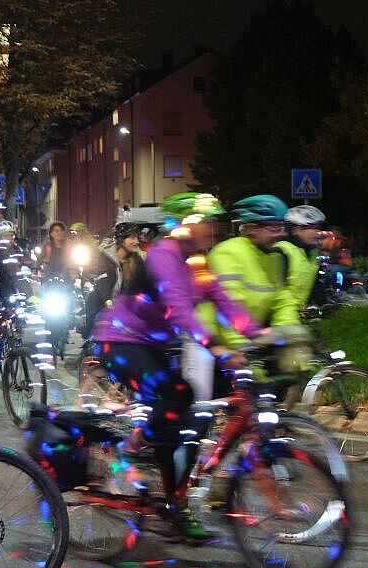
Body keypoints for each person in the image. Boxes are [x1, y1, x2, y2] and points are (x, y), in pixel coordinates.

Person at [91, 193, 261, 541]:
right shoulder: (165, 256)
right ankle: (138, 456)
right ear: (186, 225)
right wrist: (217, 346)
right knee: (176, 397)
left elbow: (220, 298)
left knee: (188, 420)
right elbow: (181, 309)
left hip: (153, 345)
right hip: (121, 342)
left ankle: (172, 500)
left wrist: (258, 334)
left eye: (215, 222)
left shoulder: (196, 260)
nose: (214, 229)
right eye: (208, 222)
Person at [199, 195, 300, 351]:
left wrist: (288, 334)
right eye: (274, 228)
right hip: (214, 342)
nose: (281, 234)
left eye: (283, 228)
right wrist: (243, 349)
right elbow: (227, 306)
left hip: (250, 339)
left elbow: (283, 300)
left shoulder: (273, 257)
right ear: (251, 229)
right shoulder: (227, 253)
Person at [276, 205, 326, 308]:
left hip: (299, 313)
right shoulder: (282, 250)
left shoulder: (313, 252)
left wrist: (324, 305)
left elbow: (315, 283)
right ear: (296, 230)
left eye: (318, 227)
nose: (317, 232)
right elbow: (278, 291)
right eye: (311, 227)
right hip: (281, 315)